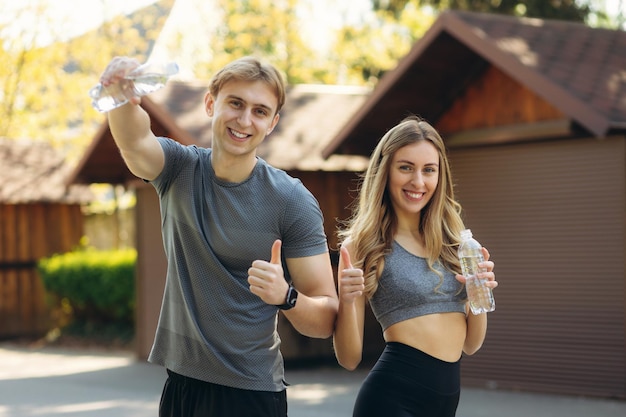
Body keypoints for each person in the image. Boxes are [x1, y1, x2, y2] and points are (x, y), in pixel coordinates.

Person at [97, 56, 338, 417]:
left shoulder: (291, 200)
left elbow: (326, 317)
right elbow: (135, 143)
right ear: (211, 103)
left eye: (260, 111)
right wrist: (119, 98)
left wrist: (285, 295)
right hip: (180, 386)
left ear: (272, 123)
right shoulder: (178, 170)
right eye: (235, 103)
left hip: (249, 394)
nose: (244, 120)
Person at [333, 115, 498, 417]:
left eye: (429, 170)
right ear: (386, 171)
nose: (418, 182)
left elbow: (471, 344)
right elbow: (349, 358)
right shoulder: (362, 245)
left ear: (440, 175)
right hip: (391, 400)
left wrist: (479, 294)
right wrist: (346, 299)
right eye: (405, 167)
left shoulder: (454, 243)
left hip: (444, 403)